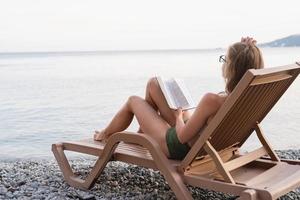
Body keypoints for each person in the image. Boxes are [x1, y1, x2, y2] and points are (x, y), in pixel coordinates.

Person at [94, 37, 264, 160]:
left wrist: (178, 116)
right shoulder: (251, 99)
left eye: (225, 60)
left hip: (179, 148)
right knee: (154, 84)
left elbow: (182, 136)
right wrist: (247, 51)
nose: (223, 63)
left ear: (232, 68)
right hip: (203, 143)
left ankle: (106, 134)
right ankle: (142, 134)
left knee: (133, 100)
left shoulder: (212, 100)